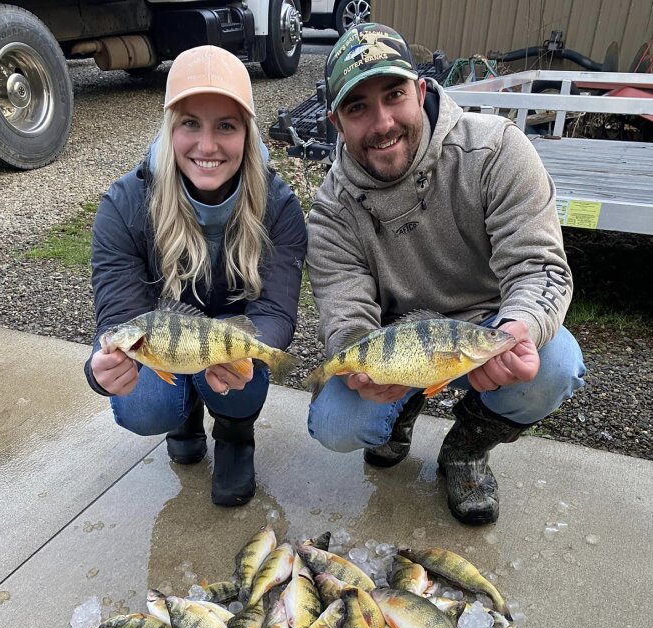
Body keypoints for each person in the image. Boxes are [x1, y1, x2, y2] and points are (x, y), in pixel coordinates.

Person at [306, 23, 586, 525]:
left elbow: (539, 267)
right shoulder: (331, 207)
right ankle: (400, 409)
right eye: (358, 107)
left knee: (557, 364)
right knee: (336, 422)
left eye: (394, 95)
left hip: (488, 326)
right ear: (336, 122)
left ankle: (467, 449)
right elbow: (343, 308)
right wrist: (362, 367)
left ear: (419, 91)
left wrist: (517, 328)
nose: (382, 122)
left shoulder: (497, 150)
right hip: (397, 339)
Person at [85, 45, 306, 507]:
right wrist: (99, 369)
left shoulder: (280, 206)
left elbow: (276, 311)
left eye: (225, 125)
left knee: (247, 370)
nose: (207, 146)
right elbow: (120, 314)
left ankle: (234, 435)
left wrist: (252, 346)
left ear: (246, 132)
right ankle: (181, 417)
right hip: (162, 338)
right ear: (170, 128)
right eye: (190, 123)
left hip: (229, 341)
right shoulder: (123, 205)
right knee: (142, 404)